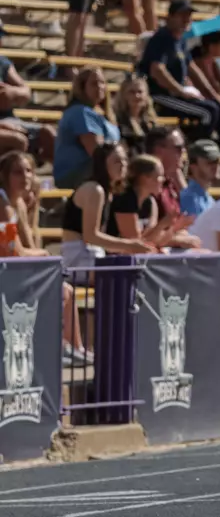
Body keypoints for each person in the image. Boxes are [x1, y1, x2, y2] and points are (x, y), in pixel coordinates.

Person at [0, 151, 88, 361]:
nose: (25, 177)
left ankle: (74, 349)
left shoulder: (18, 204)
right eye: (17, 172)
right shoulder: (1, 204)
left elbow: (30, 245)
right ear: (4, 176)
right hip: (6, 274)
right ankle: (66, 348)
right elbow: (15, 252)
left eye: (29, 171)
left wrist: (33, 208)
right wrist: (45, 254)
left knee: (66, 290)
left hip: (13, 273)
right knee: (61, 291)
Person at [140, 0, 220, 154]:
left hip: (178, 95)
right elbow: (157, 70)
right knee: (208, 113)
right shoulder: (162, 38)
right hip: (161, 96)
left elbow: (192, 69)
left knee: (218, 106)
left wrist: (215, 96)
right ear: (169, 17)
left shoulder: (180, 40)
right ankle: (193, 152)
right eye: (182, 15)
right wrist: (181, 91)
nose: (187, 20)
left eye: (189, 16)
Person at [61, 143, 155, 270]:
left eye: (125, 160)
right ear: (102, 164)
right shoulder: (94, 190)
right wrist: (128, 244)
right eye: (117, 161)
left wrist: (129, 248)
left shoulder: (108, 193)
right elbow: (90, 236)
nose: (123, 164)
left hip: (93, 253)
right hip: (78, 257)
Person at [108, 154, 192, 249]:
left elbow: (154, 241)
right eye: (160, 176)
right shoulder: (125, 199)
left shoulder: (150, 201)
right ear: (145, 178)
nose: (163, 180)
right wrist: (162, 224)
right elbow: (134, 244)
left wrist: (174, 226)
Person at [54, 68, 119, 189]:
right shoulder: (81, 113)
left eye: (102, 82)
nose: (100, 87)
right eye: (94, 83)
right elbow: (97, 152)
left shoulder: (105, 115)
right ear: (82, 87)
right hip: (78, 175)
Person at [111, 72, 157, 155]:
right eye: (131, 92)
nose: (136, 96)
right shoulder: (117, 120)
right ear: (124, 95)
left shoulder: (149, 121)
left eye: (140, 92)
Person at [180, 139, 220, 219]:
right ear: (193, 166)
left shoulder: (208, 199)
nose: (216, 166)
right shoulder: (189, 198)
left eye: (217, 161)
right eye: (210, 162)